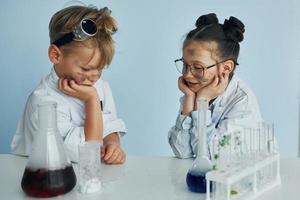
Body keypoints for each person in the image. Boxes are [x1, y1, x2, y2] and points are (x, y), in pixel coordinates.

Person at [11, 5, 127, 164]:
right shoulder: (43, 102)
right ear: (55, 55)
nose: (95, 76)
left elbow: (109, 123)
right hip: (47, 178)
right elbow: (87, 154)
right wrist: (91, 100)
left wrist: (112, 143)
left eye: (101, 68)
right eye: (87, 68)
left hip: (86, 178)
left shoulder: (100, 85)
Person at [168, 13, 263, 159]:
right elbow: (182, 152)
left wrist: (203, 102)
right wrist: (189, 101)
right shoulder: (195, 90)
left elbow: (208, 156)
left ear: (226, 68)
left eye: (198, 67)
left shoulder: (243, 102)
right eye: (185, 65)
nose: (187, 75)